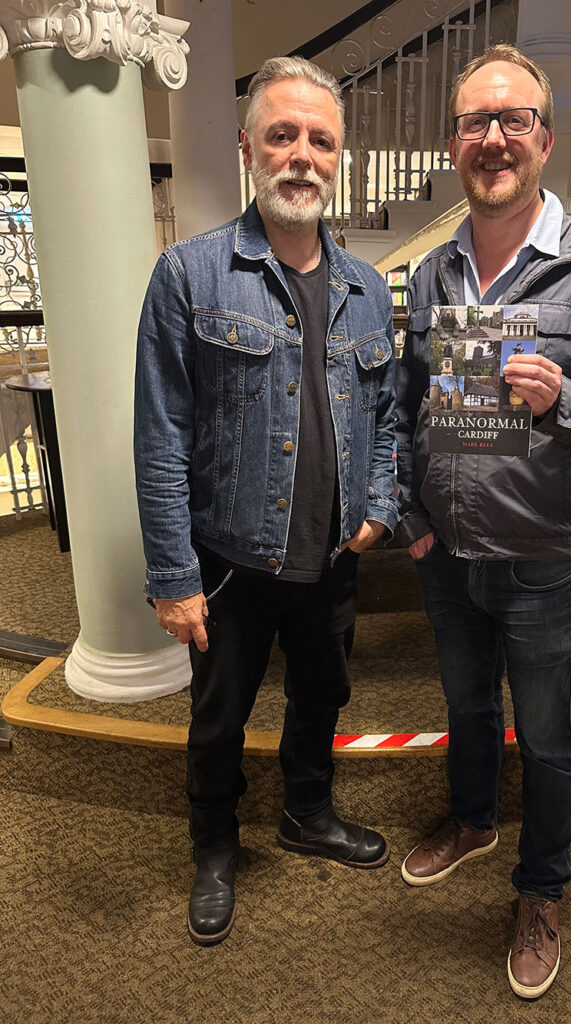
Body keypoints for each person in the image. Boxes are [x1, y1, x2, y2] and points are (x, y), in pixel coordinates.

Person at [394, 44, 571, 1000]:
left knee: (549, 740)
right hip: (446, 550)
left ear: (546, 139)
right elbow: (409, 401)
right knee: (468, 713)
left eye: (513, 120)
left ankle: (541, 890)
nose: (494, 138)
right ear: (456, 143)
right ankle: (472, 821)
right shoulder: (433, 274)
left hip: (545, 557)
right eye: (476, 121)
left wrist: (567, 400)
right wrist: (407, 512)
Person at [134, 56, 398, 948]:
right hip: (229, 559)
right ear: (250, 149)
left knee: (322, 699)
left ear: (339, 158)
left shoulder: (368, 289)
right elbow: (161, 434)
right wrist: (173, 573)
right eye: (282, 136)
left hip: (332, 554)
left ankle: (306, 813)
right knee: (218, 718)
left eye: (320, 140)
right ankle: (214, 845)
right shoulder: (190, 275)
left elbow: (387, 412)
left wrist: (379, 502)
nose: (302, 156)